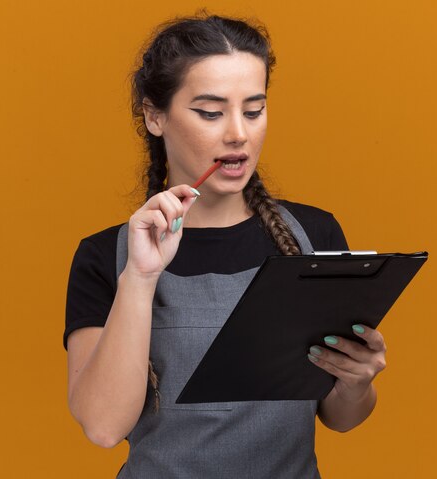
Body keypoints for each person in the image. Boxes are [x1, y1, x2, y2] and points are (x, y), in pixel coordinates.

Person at [64, 13, 387, 478]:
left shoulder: (315, 236)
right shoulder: (104, 257)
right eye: (211, 113)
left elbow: (341, 417)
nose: (238, 133)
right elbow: (102, 426)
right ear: (156, 116)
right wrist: (140, 277)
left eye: (253, 110)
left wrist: (358, 382)